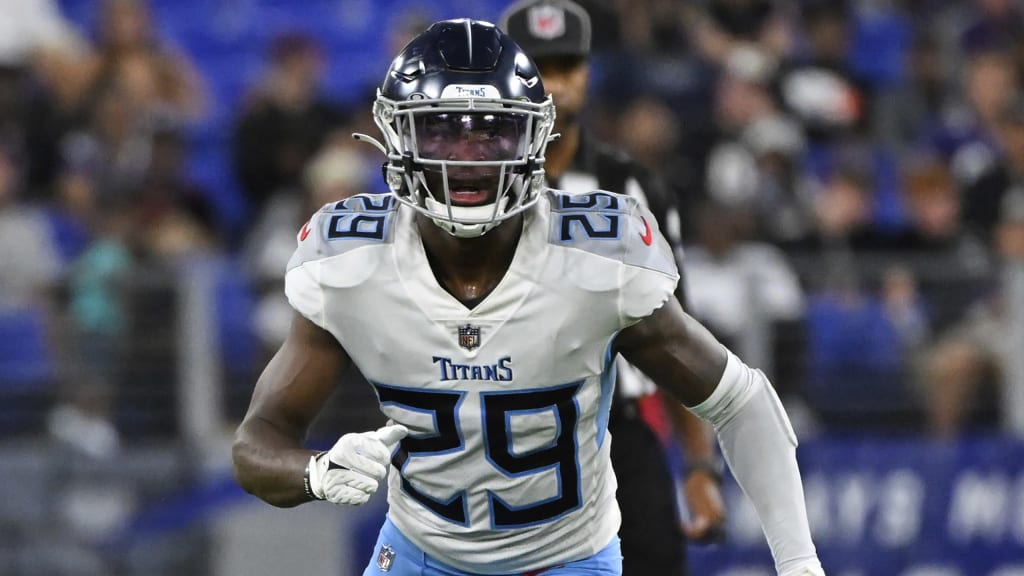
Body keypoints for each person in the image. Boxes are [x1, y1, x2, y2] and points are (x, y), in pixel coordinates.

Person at [232, 19, 825, 576]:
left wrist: (800, 565)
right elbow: (257, 441)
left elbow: (740, 401)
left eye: (492, 130)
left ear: (534, 137)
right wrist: (315, 472)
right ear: (397, 136)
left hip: (566, 558)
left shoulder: (598, 259)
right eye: (440, 129)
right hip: (420, 552)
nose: (465, 157)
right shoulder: (350, 263)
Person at [498, 2, 725, 574]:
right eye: (539, 67)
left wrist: (698, 467)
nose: (555, 83)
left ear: (589, 71)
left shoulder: (634, 188)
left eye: (567, 65)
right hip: (498, 432)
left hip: (616, 434)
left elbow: (678, 333)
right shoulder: (473, 181)